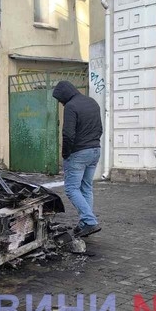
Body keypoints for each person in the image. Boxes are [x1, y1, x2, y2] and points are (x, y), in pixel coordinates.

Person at [52, 81, 103, 237]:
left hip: (78, 153)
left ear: (65, 95)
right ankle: (84, 223)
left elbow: (68, 134)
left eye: (60, 100)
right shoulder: (92, 102)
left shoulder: (71, 106)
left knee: (71, 189)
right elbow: (99, 128)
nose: (61, 103)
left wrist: (66, 154)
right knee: (86, 187)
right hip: (95, 150)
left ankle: (90, 221)